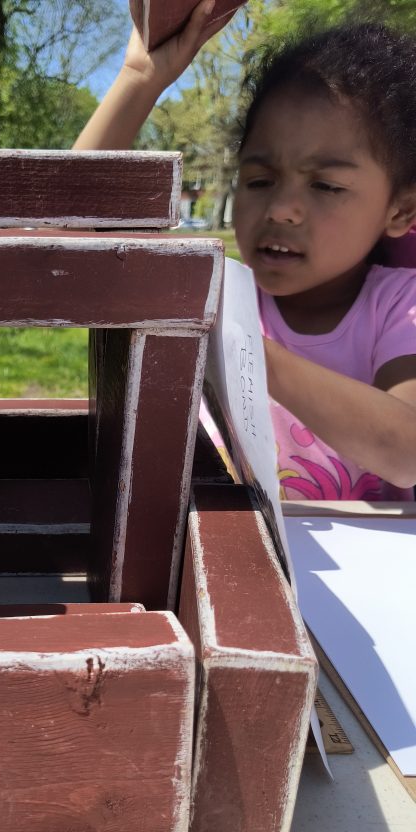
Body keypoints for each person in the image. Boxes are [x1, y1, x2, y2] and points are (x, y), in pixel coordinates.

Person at [75, 3, 416, 500]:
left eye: (324, 186)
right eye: (259, 179)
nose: (281, 209)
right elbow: (59, 246)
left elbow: (406, 452)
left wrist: (249, 352)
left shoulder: (398, 306)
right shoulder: (212, 287)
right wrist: (139, 77)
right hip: (215, 563)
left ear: (400, 212)